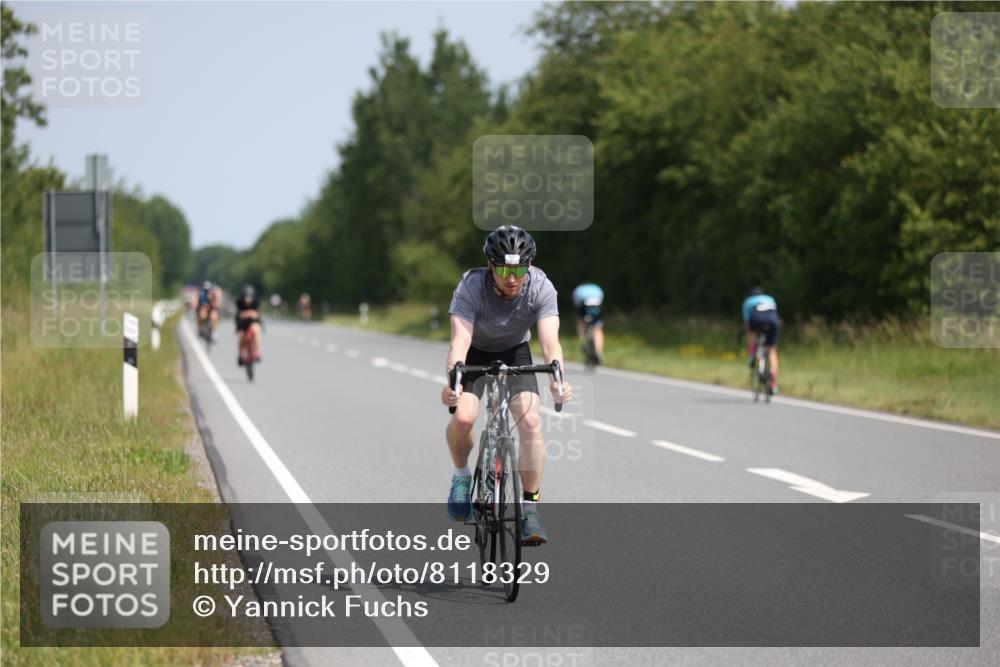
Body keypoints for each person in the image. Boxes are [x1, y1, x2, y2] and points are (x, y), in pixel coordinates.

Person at [440, 225, 572, 545]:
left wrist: (558, 381)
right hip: (475, 351)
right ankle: (461, 478)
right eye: (502, 269)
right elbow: (460, 342)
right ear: (490, 266)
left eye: (519, 270)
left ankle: (530, 508)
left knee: (530, 421)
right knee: (464, 418)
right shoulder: (471, 287)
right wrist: (452, 383)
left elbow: (551, 344)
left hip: (516, 351)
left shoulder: (541, 286)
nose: (511, 278)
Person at [742, 286, 780, 394]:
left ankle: (753, 353)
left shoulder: (748, 301)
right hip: (772, 320)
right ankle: (773, 377)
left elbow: (747, 321)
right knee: (772, 349)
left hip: (756, 318)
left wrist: (749, 331)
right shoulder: (770, 298)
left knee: (751, 331)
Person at [572, 282, 605, 363]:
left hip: (584, 306)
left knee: (580, 322)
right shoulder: (597, 288)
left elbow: (577, 304)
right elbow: (602, 299)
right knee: (598, 329)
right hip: (597, 307)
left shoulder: (578, 290)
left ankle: (583, 341)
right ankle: (599, 351)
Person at [235, 285, 262, 365]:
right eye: (246, 300)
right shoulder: (239, 301)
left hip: (253, 321)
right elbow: (240, 315)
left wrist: (247, 314)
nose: (248, 302)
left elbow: (256, 314)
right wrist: (249, 313)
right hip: (242, 322)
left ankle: (257, 352)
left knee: (256, 331)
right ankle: (240, 354)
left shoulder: (256, 301)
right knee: (241, 335)